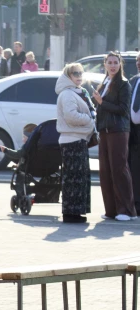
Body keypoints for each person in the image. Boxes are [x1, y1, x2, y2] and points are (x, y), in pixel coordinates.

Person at [92, 51, 137, 221]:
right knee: (105, 171)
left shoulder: (124, 84)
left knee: (119, 169)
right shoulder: (104, 82)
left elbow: (123, 109)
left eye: (115, 62)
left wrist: (102, 102)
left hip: (118, 131)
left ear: (120, 65)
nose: (112, 65)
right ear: (105, 64)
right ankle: (111, 210)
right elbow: (99, 105)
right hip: (104, 130)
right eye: (109, 62)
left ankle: (126, 210)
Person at [55, 63, 95, 223]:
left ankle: (76, 213)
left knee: (80, 178)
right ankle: (70, 214)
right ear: (68, 76)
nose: (79, 76)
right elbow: (71, 116)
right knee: (73, 179)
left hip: (79, 140)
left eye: (80, 73)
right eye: (75, 73)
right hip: (71, 141)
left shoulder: (80, 92)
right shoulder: (67, 94)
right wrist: (90, 120)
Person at [129, 52, 140, 213]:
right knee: (134, 167)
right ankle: (136, 204)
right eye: (138, 60)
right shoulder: (133, 80)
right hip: (134, 132)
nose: (139, 63)